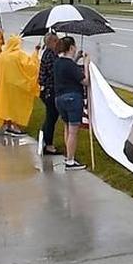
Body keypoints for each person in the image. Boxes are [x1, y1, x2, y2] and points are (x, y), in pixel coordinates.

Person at [0, 35, 39, 137]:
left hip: (4, 86)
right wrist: (36, 53)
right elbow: (30, 66)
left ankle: (7, 125)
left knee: (6, 106)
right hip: (15, 86)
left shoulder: (3, 55)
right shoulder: (18, 55)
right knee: (15, 106)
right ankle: (15, 127)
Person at [53, 37, 89, 169]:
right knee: (73, 131)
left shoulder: (58, 62)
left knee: (67, 127)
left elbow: (67, 69)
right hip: (73, 98)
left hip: (59, 99)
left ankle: (69, 155)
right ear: (71, 48)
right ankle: (70, 160)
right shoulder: (71, 65)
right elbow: (85, 81)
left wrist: (77, 59)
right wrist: (85, 63)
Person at [37, 32, 62, 155]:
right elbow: (55, 72)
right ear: (52, 42)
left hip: (46, 90)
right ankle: (49, 144)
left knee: (51, 117)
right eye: (57, 41)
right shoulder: (51, 56)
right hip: (50, 90)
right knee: (51, 117)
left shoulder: (49, 54)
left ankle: (46, 140)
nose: (59, 43)